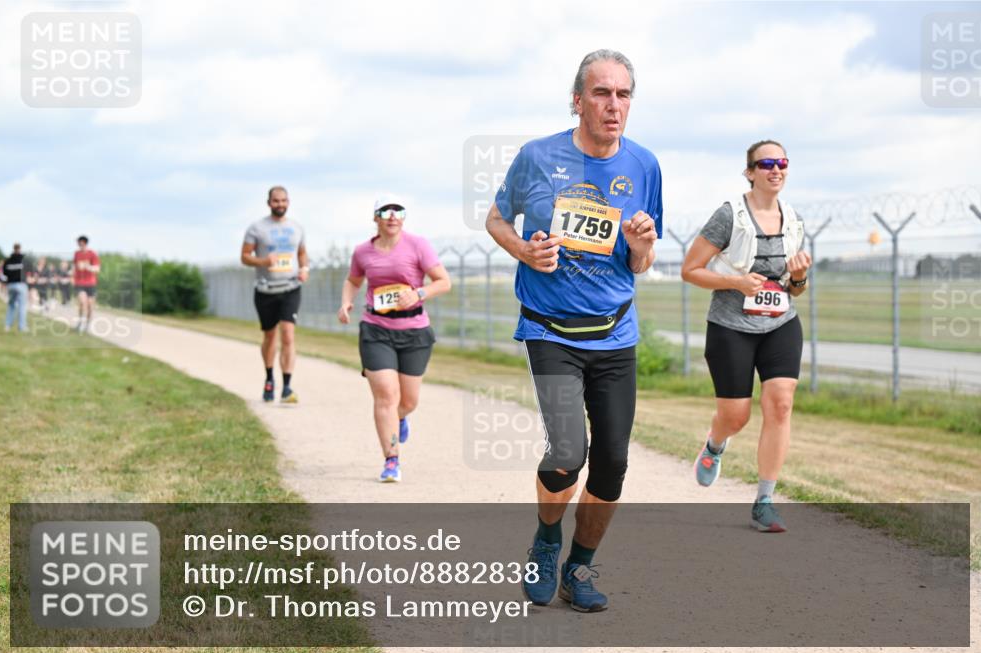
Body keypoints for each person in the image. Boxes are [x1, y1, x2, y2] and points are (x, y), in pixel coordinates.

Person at [485, 50, 661, 613]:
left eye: (624, 94)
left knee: (612, 460)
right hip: (550, 329)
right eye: (603, 93)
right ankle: (545, 538)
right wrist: (523, 250)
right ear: (578, 99)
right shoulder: (537, 157)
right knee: (567, 451)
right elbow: (496, 218)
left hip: (614, 334)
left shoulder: (644, 166)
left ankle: (579, 568)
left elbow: (641, 261)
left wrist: (640, 247)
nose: (614, 105)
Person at [681, 139, 812, 533]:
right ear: (750, 172)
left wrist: (801, 277)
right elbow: (690, 269)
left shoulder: (794, 220)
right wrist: (736, 283)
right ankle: (715, 444)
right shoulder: (729, 216)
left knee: (781, 404)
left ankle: (765, 500)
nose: (776, 169)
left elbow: (794, 288)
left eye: (782, 162)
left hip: (780, 324)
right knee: (735, 416)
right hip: (730, 327)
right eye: (766, 163)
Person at [338, 194, 451, 483]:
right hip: (376, 329)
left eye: (397, 210)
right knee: (386, 395)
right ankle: (391, 460)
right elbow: (353, 281)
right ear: (375, 218)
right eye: (384, 211)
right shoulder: (363, 251)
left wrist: (418, 293)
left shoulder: (418, 245)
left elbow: (443, 282)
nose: (391, 215)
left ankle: (400, 418)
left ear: (403, 217)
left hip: (414, 331)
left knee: (408, 401)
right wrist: (346, 302)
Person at [241, 186, 308, 404]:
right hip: (265, 289)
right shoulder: (257, 228)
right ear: (269, 203)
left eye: (284, 200)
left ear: (288, 202)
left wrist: (304, 268)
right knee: (270, 336)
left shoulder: (296, 227)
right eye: (276, 201)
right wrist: (263, 261)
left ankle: (287, 387)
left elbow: (302, 253)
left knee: (288, 333)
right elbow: (244, 256)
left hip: (290, 287)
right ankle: (269, 378)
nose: (280, 204)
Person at [0, 243, 30, 332]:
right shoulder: (23, 259)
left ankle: (7, 325)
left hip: (11, 285)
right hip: (21, 285)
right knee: (22, 306)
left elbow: (4, 273)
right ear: (20, 249)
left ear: (13, 249)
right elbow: (29, 271)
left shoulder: (8, 261)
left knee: (11, 305)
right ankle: (22, 327)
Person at [73, 235, 101, 333]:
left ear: (85, 243)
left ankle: (88, 325)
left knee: (90, 305)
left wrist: (87, 266)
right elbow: (74, 267)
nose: (80, 246)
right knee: (82, 302)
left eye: (82, 244)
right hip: (79, 282)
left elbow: (97, 269)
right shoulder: (76, 254)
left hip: (91, 283)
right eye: (79, 244)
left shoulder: (92, 254)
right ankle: (81, 322)